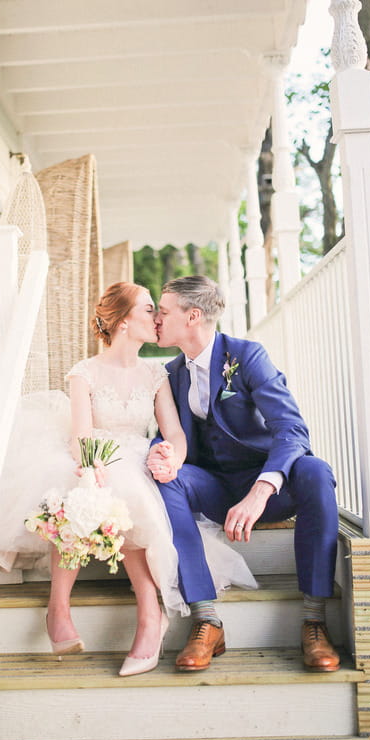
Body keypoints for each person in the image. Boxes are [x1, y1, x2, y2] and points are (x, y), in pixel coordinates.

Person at [0, 281, 256, 677]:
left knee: (127, 485)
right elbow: (80, 435)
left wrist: (172, 457)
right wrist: (92, 465)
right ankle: (58, 607)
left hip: (135, 455)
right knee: (78, 484)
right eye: (150, 310)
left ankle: (150, 615)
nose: (158, 317)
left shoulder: (156, 374)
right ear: (126, 321)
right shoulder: (85, 373)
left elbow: (175, 433)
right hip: (90, 453)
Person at [147, 275, 340, 673]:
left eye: (163, 312)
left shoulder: (247, 356)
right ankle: (206, 619)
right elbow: (166, 435)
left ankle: (314, 621)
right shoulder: (170, 373)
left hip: (265, 486)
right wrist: (159, 454)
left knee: (317, 471)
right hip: (214, 486)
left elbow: (292, 430)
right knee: (168, 478)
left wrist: (261, 490)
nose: (156, 320)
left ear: (193, 316)